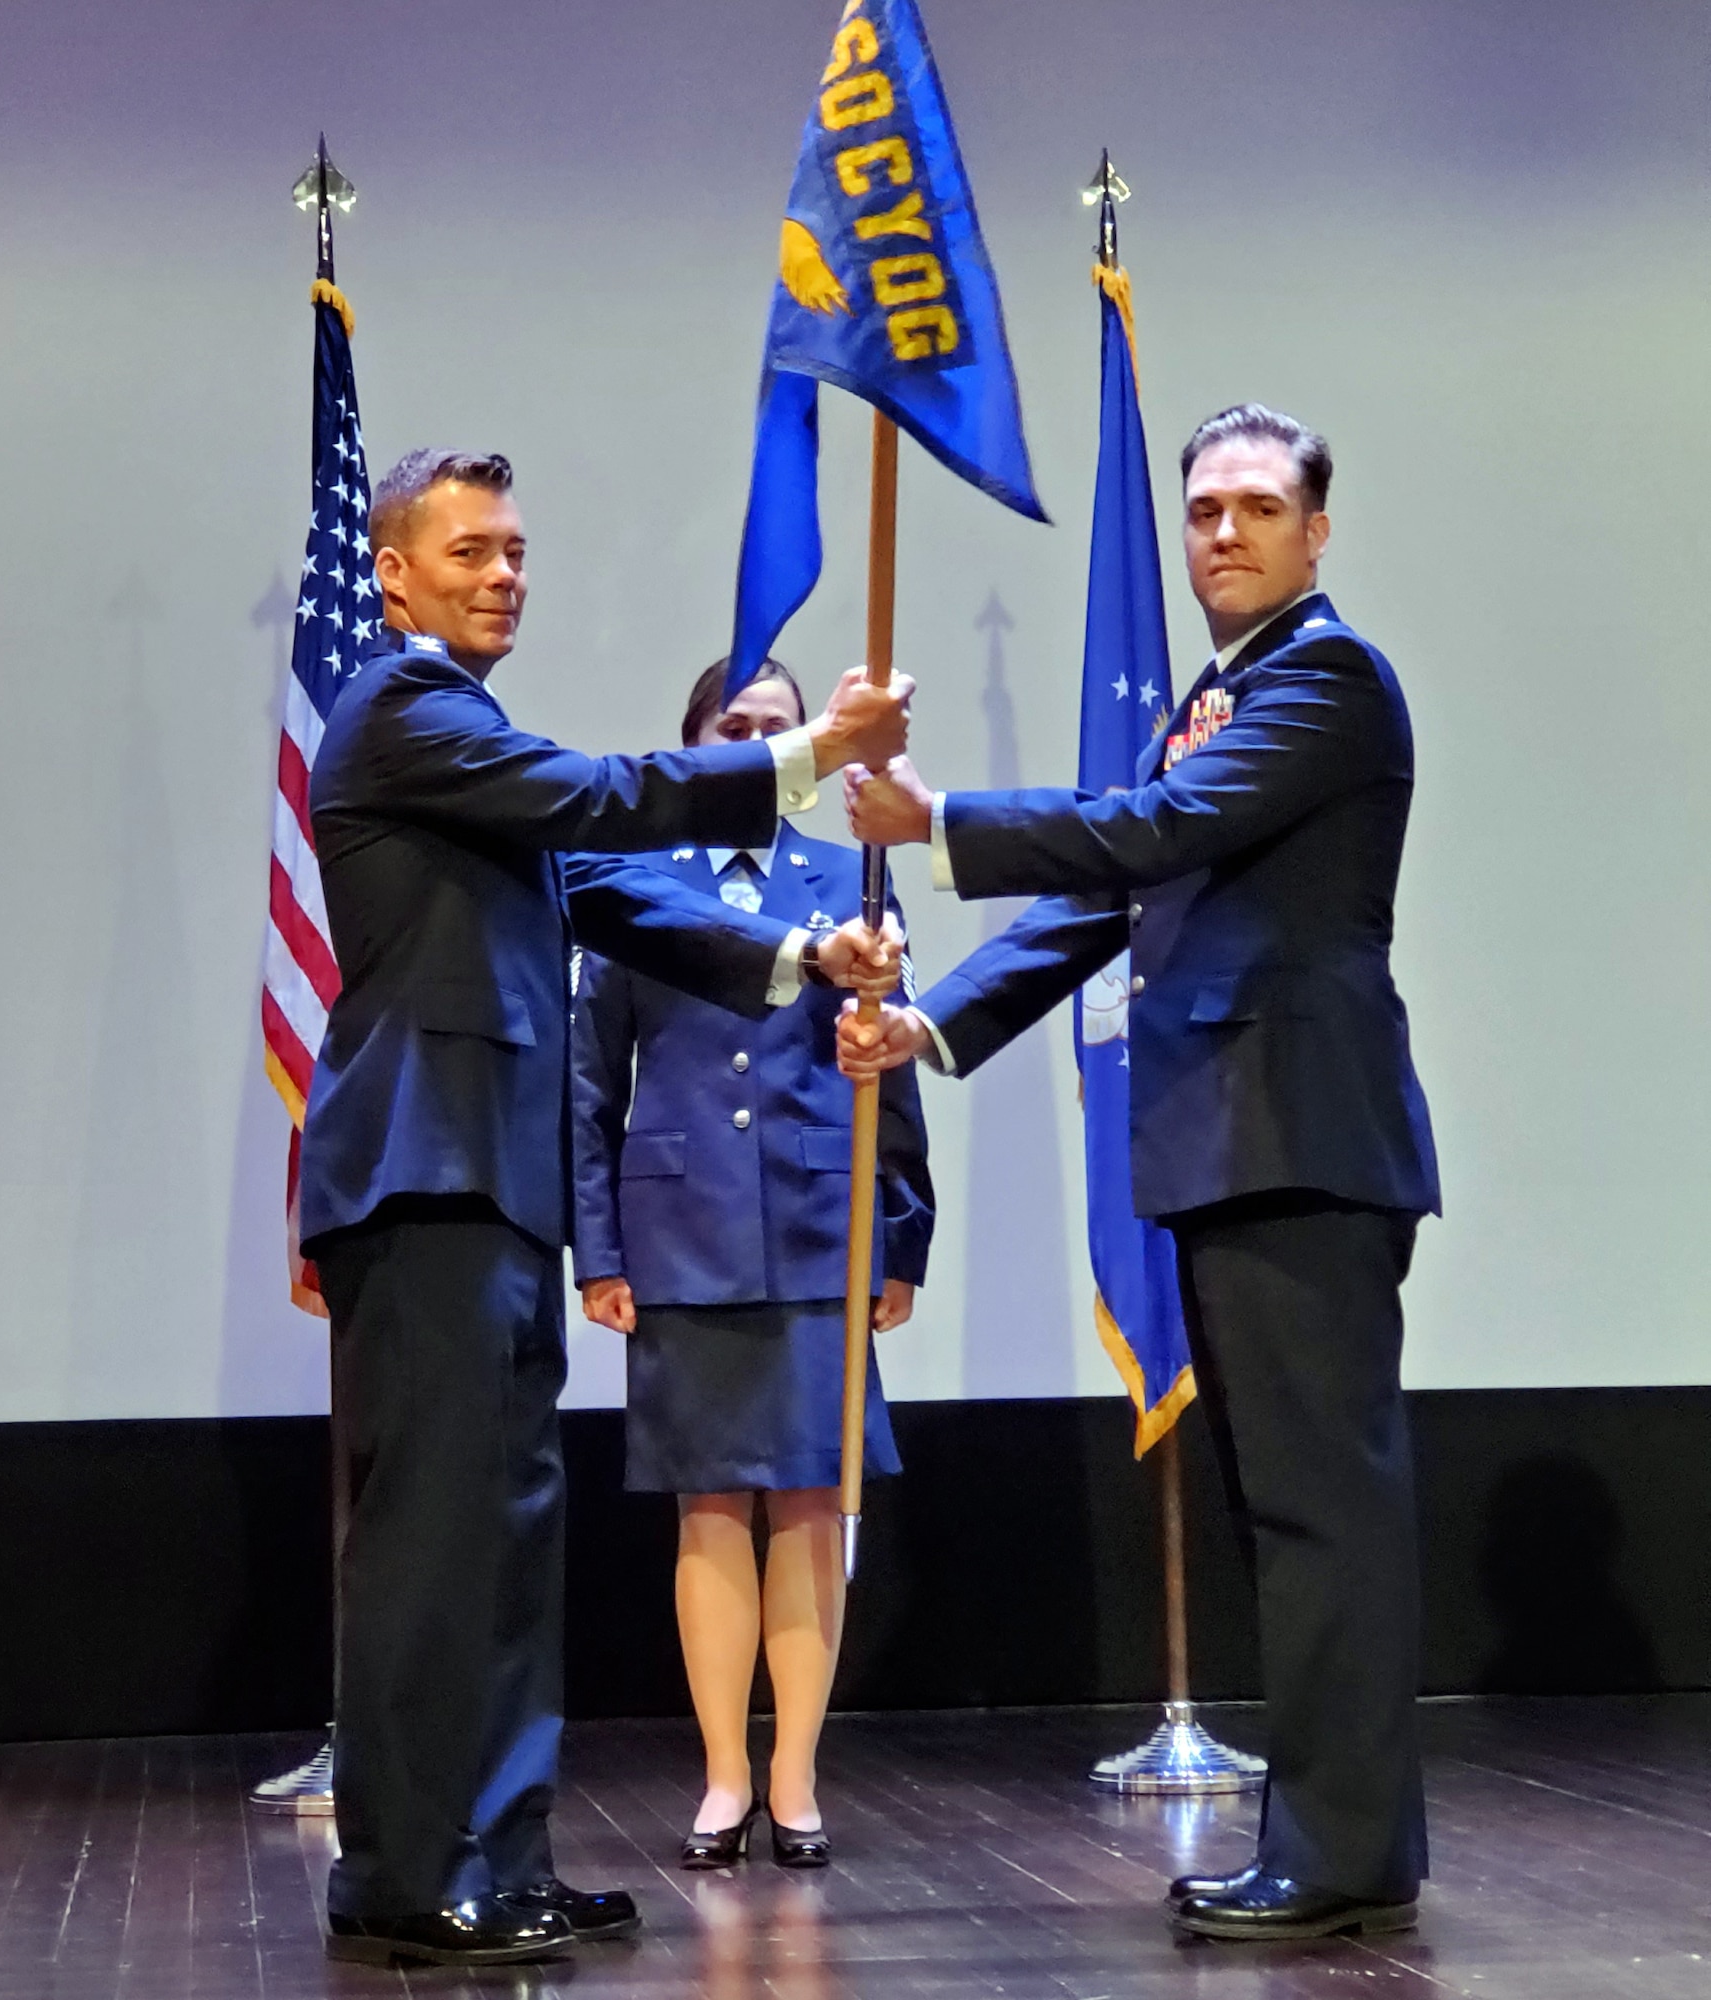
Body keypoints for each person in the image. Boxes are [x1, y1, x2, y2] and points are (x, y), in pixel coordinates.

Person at [299, 448, 912, 1969]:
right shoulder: (404, 710)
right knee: (432, 1542)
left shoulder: (473, 735)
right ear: (391, 574)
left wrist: (794, 964)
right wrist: (801, 756)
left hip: (490, 1187)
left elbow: (619, 895)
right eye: (469, 551)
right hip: (422, 1176)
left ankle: (494, 1861)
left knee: (504, 1540)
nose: (504, 572)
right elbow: (602, 796)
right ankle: (402, 1875)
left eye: (514, 549)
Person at [839, 405, 1440, 1943]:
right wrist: (937, 1016)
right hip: (1235, 1141)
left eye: (1253, 506)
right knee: (1289, 1518)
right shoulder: (1216, 693)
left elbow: (1161, 824)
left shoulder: (1324, 678)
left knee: (1323, 1519)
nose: (1220, 532)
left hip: (1297, 1141)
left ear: (1316, 532)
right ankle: (1325, 1841)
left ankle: (1345, 1854)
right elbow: (1125, 880)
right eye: (1199, 510)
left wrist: (947, 823)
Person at [571, 658, 934, 1872]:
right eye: (737, 730)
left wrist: (901, 1232)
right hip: (679, 1234)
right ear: (696, 751)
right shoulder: (632, 886)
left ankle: (795, 1777)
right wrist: (599, 1247)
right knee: (711, 1503)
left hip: (819, 1230)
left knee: (810, 1503)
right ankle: (725, 1773)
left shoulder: (852, 881)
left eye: (780, 729)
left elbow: (891, 1078)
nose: (761, 744)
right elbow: (588, 1085)